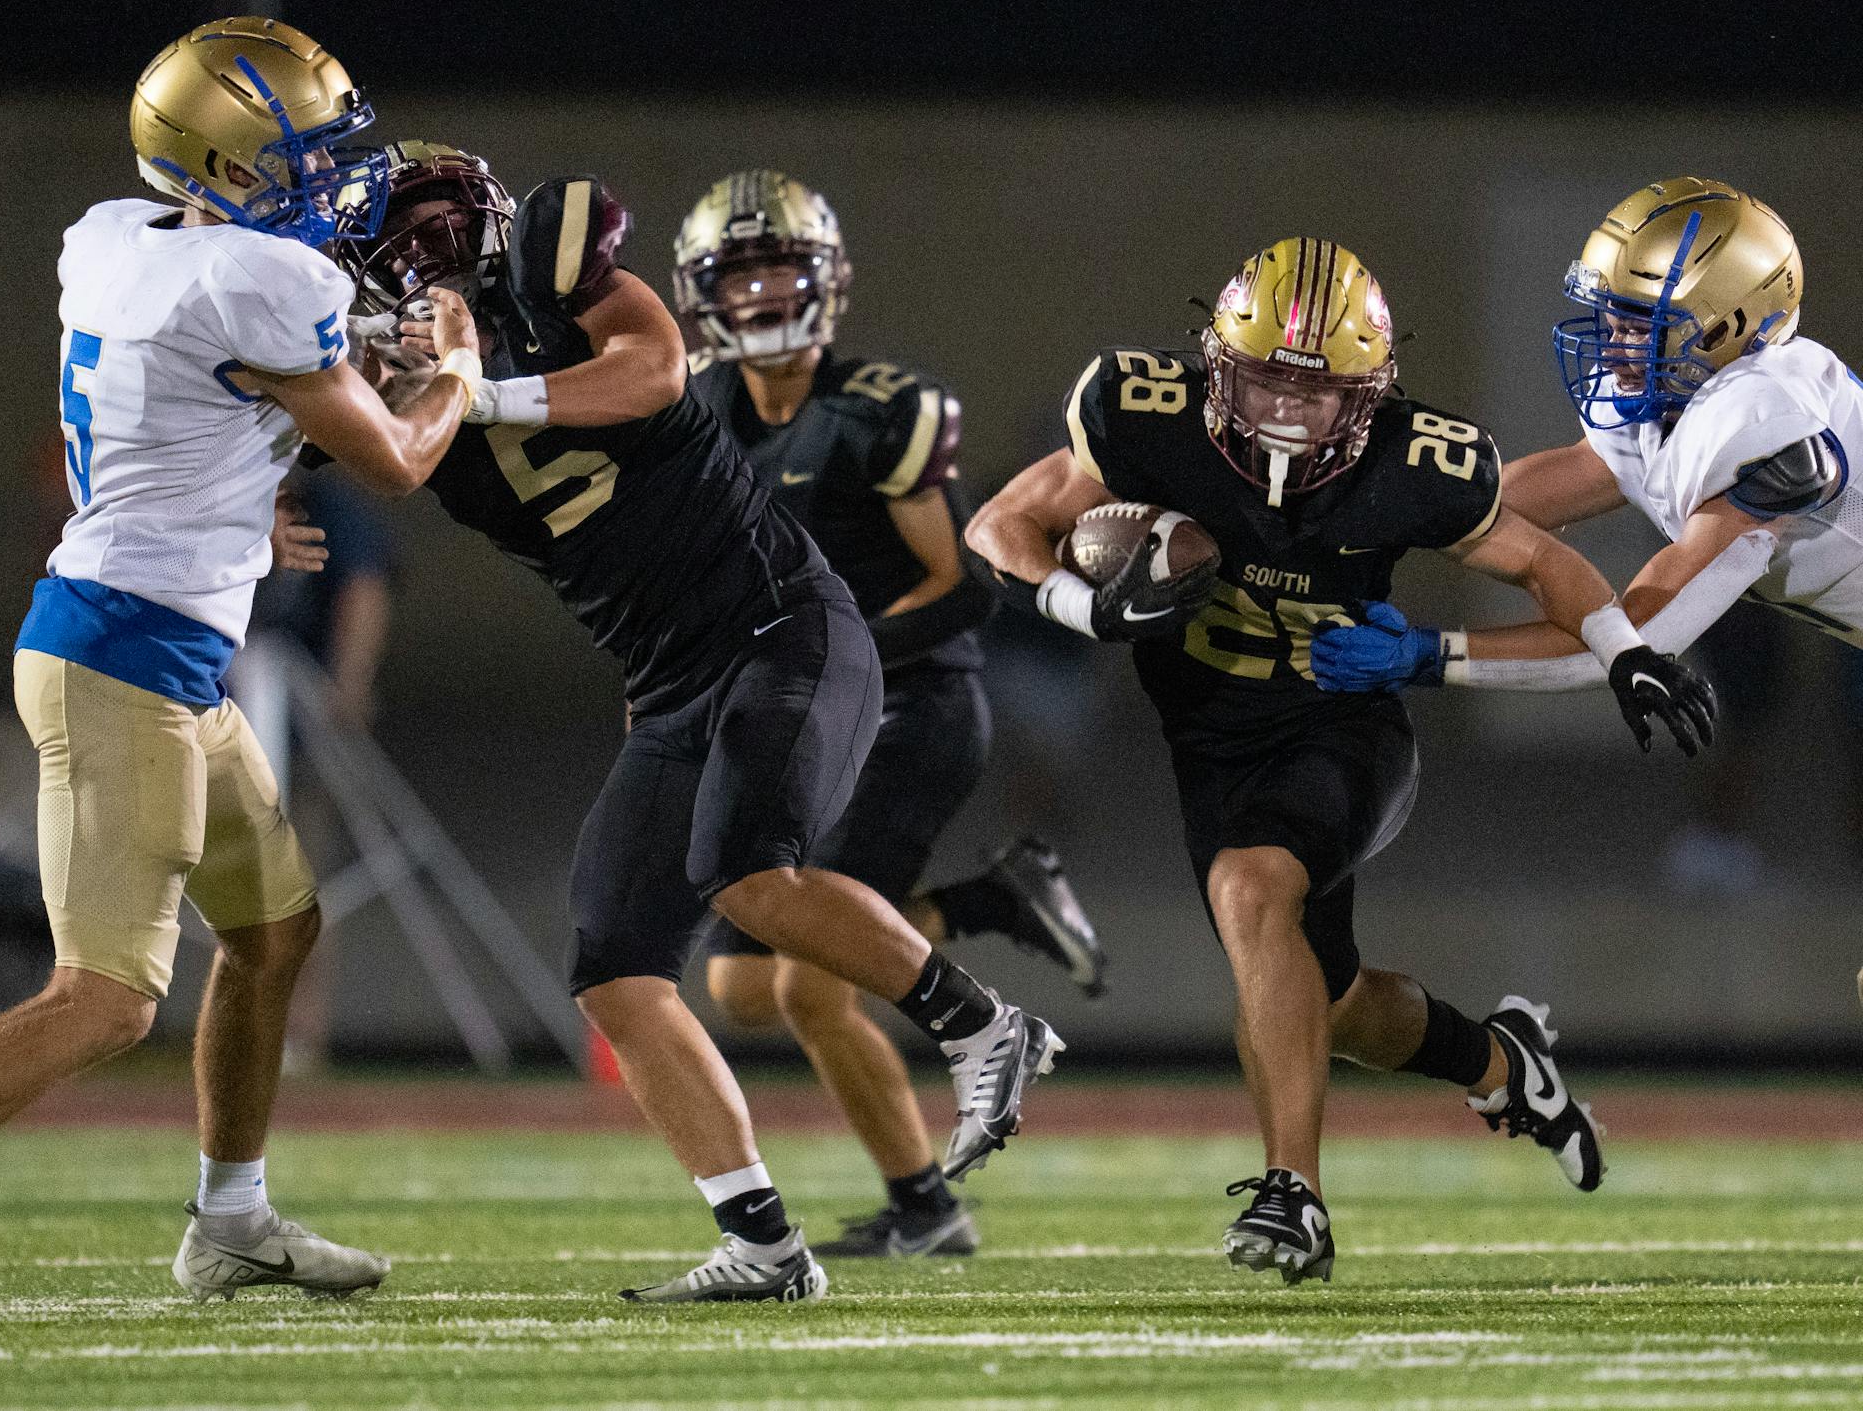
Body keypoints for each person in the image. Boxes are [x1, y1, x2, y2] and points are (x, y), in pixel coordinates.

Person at [0, 18, 481, 1314]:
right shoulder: (263, 279)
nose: (335, 179)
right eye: (301, 157)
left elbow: (175, 393)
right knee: (103, 997)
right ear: (221, 162)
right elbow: (398, 462)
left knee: (276, 928)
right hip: (121, 661)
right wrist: (457, 375)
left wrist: (241, 490)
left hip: (163, 650)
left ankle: (233, 1217)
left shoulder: (115, 237)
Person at [339, 143, 1062, 1303]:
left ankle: (983, 1029)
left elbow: (656, 369)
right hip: (669, 680)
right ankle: (766, 1245)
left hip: (780, 625)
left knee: (744, 874)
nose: (353, 292)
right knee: (616, 967)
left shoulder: (549, 266)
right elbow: (367, 455)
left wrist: (489, 387)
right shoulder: (395, 383)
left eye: (365, 261)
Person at [966, 238, 1709, 1283]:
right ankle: (1505, 1062)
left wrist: (1625, 650)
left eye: (1313, 394)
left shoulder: (1418, 458)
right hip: (1210, 742)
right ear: (1218, 361)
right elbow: (1003, 524)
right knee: (1330, 999)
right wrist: (1077, 602)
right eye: (1264, 378)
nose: (1282, 412)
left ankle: (1294, 1197)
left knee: (1249, 885)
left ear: (1372, 392)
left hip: (1342, 725)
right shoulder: (1143, 412)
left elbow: (1544, 560)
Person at [674, 170, 1107, 1260]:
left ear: (828, 281)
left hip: (913, 700)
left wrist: (829, 652)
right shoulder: (700, 409)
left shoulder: (881, 408)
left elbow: (962, 583)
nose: (767, 292)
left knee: (812, 981)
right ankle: (982, 903)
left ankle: (925, 1205)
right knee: (742, 985)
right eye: (743, 272)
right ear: (702, 293)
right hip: (801, 708)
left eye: (784, 267)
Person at [1315, 177, 1857, 714]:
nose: (1614, 349)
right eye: (1611, 321)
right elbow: (1513, 495)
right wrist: (1353, 510)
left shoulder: (1763, 418)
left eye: (1639, 328)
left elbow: (1637, 644)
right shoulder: (1677, 394)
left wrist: (1431, 655)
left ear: (1725, 328)